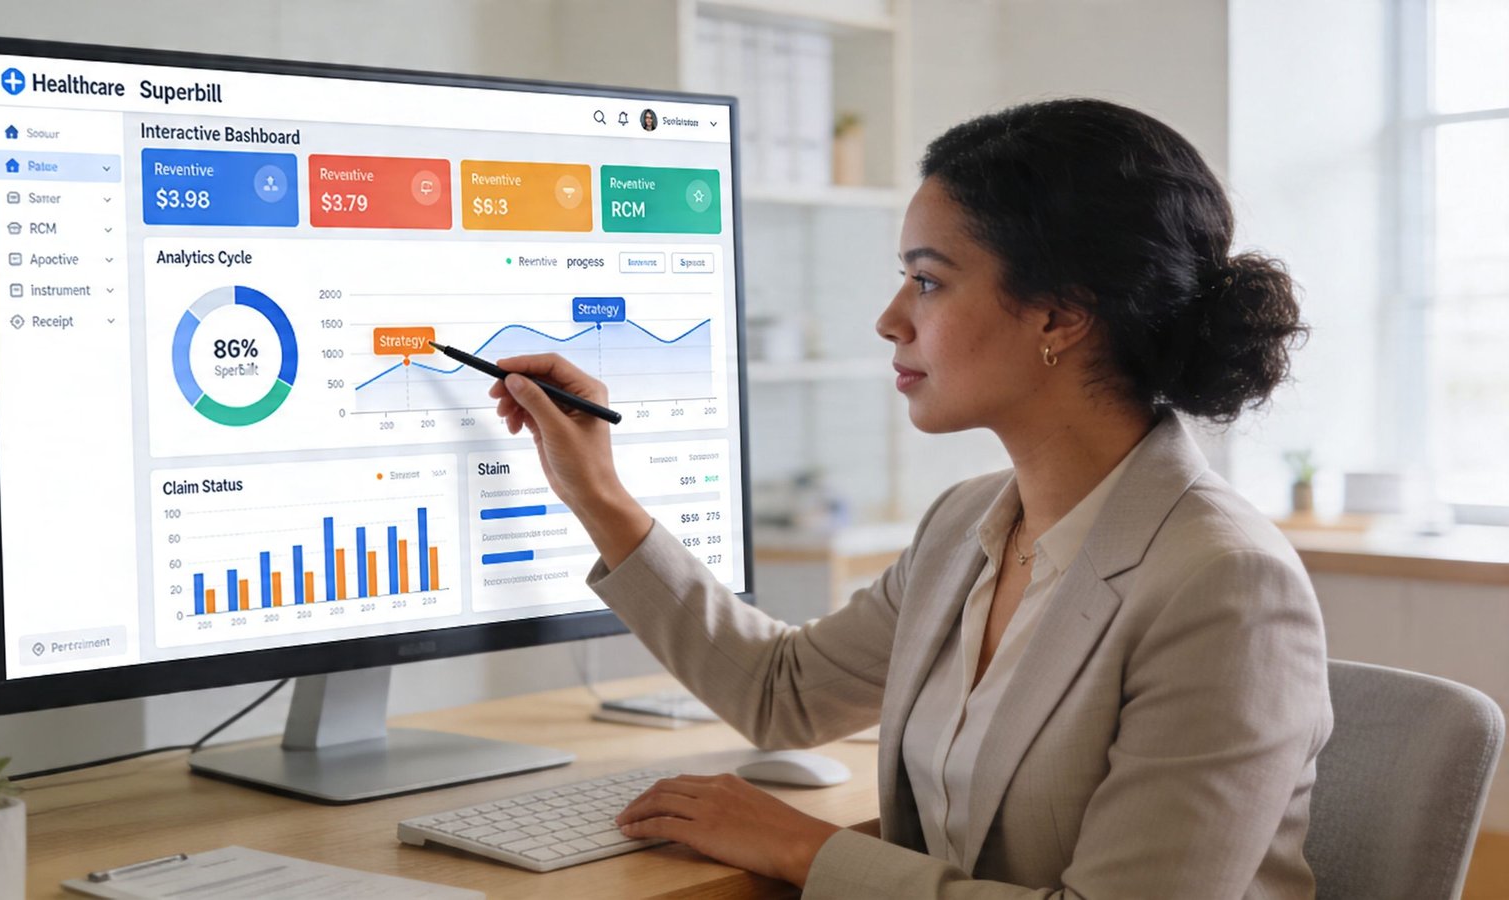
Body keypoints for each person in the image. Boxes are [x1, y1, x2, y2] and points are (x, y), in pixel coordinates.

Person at [486, 98, 1332, 898]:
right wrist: (596, 491)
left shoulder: (1224, 585)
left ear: (1061, 315)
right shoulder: (968, 524)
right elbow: (785, 693)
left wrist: (804, 848)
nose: (891, 318)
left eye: (928, 281)